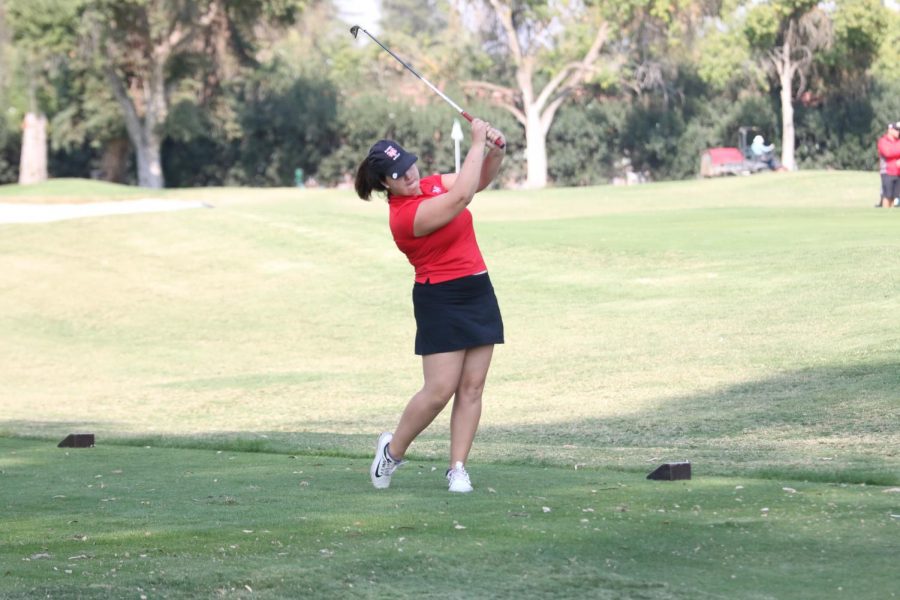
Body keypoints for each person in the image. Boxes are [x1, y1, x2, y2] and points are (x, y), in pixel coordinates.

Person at [354, 118, 506, 493]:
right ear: (385, 183)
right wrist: (475, 143)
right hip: (440, 298)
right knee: (439, 390)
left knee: (472, 387)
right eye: (398, 173)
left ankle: (458, 469)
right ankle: (392, 451)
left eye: (408, 165)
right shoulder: (404, 218)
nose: (409, 175)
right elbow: (462, 197)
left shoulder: (430, 184)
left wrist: (495, 151)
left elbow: (478, 181)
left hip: (477, 289)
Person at [876, 122, 900, 208]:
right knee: (887, 196)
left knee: (894, 196)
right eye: (896, 130)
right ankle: (885, 213)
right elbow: (887, 153)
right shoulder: (883, 141)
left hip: (898, 172)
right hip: (887, 172)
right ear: (890, 130)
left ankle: (891, 215)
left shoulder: (898, 142)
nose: (898, 132)